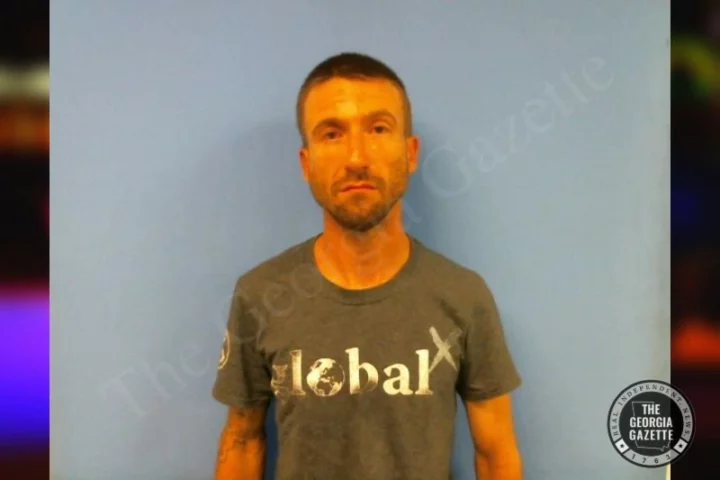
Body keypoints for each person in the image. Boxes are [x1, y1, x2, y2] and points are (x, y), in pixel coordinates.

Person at [212, 52, 523, 480]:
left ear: (410, 153)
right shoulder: (261, 295)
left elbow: (495, 453)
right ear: (306, 163)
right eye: (332, 134)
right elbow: (243, 440)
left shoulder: (464, 297)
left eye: (378, 129)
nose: (357, 157)